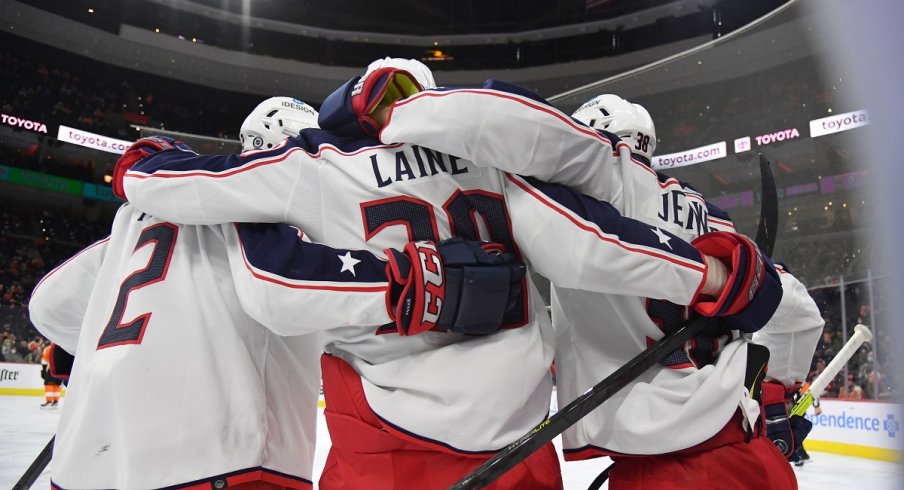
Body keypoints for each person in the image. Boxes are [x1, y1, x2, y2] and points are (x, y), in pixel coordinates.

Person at [115, 62, 780, 490]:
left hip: (388, 460)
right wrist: (709, 274)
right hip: (522, 451)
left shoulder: (312, 166)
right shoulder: (491, 159)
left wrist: (141, 161)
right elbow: (583, 243)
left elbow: (182, 194)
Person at [28, 97, 522, 489]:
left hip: (84, 459)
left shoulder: (135, 219)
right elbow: (282, 286)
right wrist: (431, 283)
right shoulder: (274, 212)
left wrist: (145, 354)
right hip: (221, 456)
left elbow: (47, 306)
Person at [368, 87, 820, 487]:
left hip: (667, 468)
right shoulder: (713, 216)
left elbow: (561, 236)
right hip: (751, 454)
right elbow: (798, 310)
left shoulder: (600, 186)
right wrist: (777, 395)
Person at [39, 343, 63, 408]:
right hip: (61, 370)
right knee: (57, 385)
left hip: (52, 369)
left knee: (48, 384)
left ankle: (49, 401)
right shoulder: (63, 348)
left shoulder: (48, 348)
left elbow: (44, 361)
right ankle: (56, 401)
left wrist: (43, 370)